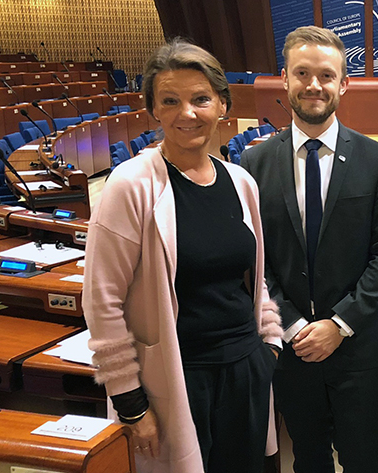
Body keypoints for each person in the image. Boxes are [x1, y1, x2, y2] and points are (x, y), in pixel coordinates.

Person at [82, 39, 283, 473]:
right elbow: (101, 302)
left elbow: (255, 277)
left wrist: (270, 344)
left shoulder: (241, 180)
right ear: (153, 109)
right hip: (174, 378)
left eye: (200, 99)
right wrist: (132, 404)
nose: (186, 114)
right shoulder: (130, 185)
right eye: (170, 101)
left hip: (246, 370)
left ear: (223, 105)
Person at [239, 26, 378, 473]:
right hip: (291, 351)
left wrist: (340, 323)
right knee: (307, 459)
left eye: (326, 75)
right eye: (303, 73)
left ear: (343, 83)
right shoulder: (253, 164)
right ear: (285, 79)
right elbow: (255, 259)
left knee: (363, 460)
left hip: (358, 349)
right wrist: (292, 325)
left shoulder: (376, 159)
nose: (314, 85)